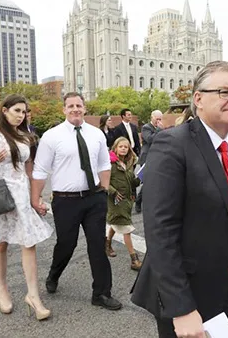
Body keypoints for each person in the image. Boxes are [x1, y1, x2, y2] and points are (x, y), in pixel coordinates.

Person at [131, 61, 228, 338]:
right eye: (224, 92)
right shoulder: (172, 144)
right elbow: (161, 232)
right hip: (195, 297)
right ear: (198, 99)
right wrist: (181, 309)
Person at [31, 92, 122, 311]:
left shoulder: (96, 134)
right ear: (63, 109)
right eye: (70, 105)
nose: (75, 109)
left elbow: (104, 164)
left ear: (84, 108)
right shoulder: (51, 136)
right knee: (66, 244)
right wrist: (36, 199)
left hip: (94, 199)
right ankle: (54, 274)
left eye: (79, 105)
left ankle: (101, 293)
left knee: (97, 245)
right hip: (65, 201)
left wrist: (105, 189)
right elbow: (40, 169)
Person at [0, 94, 53, 318]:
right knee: (1, 244)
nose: (21, 115)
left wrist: (35, 198)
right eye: (17, 110)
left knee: (29, 243)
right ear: (5, 110)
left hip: (21, 194)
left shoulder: (25, 136)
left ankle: (33, 296)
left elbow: (29, 170)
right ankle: (3, 289)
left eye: (24, 111)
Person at [105, 137, 142, 270]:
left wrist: (141, 178)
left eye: (126, 147)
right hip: (116, 201)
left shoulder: (127, 163)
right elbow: (103, 181)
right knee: (126, 229)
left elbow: (132, 181)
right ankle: (134, 260)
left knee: (116, 223)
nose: (123, 149)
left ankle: (107, 242)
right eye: (121, 146)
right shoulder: (110, 164)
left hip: (127, 200)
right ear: (115, 148)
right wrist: (113, 192)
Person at [135, 110, 163, 213]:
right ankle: (139, 201)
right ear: (152, 118)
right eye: (157, 119)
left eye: (160, 119)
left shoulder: (160, 128)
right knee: (147, 181)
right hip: (147, 157)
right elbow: (151, 139)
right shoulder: (146, 127)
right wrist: (159, 129)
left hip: (158, 156)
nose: (159, 121)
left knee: (156, 181)